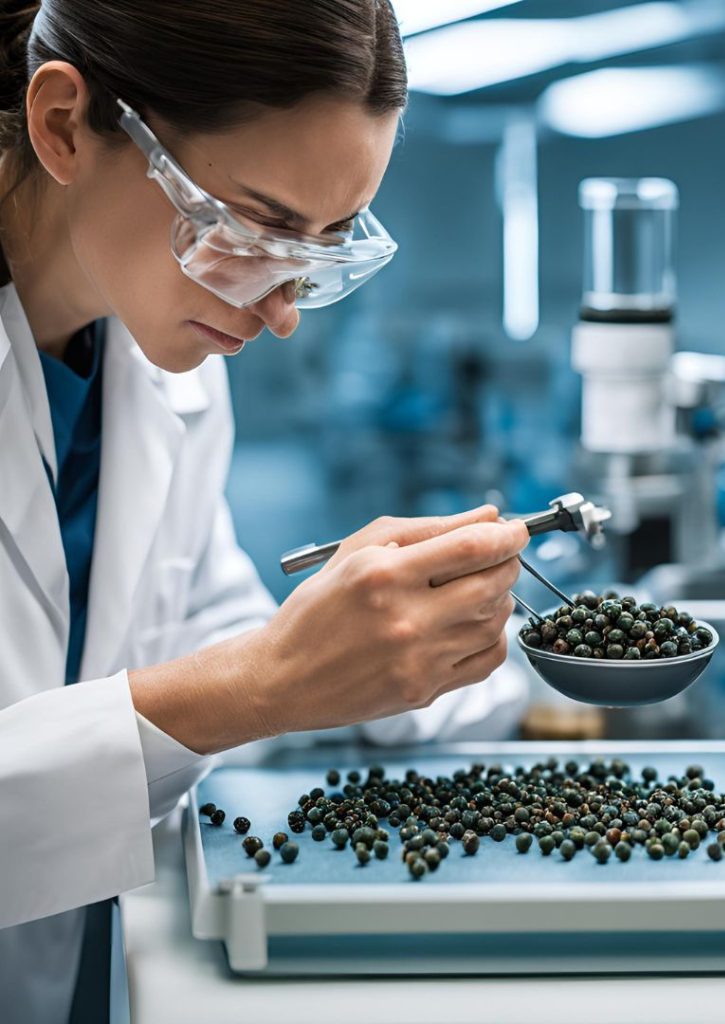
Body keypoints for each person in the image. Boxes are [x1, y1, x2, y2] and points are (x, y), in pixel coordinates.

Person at [0, 2, 530, 1020]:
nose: (280, 309)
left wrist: (386, 649)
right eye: (250, 226)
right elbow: (222, 687)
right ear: (66, 124)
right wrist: (265, 679)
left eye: (323, 249)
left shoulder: (173, 366)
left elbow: (203, 646)